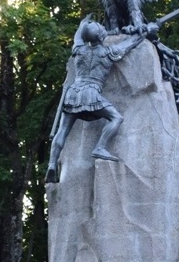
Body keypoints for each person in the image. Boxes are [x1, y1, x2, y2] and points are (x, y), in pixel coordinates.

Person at [45, 17, 152, 183]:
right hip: (91, 93)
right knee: (116, 118)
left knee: (62, 131)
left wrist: (82, 24)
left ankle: (51, 164)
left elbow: (78, 36)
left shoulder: (79, 49)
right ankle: (100, 147)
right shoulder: (109, 53)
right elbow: (131, 43)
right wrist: (146, 31)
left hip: (73, 93)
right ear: (102, 37)